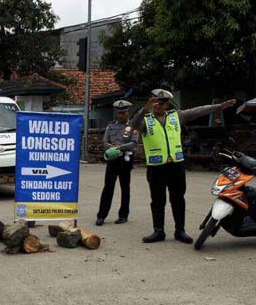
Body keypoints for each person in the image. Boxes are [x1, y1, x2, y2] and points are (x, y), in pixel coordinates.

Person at [131, 89, 236, 244]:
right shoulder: (145, 119)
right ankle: (158, 231)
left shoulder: (176, 116)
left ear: (167, 104)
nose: (157, 106)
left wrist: (219, 107)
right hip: (156, 167)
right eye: (155, 102)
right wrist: (145, 109)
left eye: (161, 103)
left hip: (176, 166)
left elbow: (198, 111)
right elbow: (134, 124)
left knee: (178, 199)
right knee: (158, 200)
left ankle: (180, 231)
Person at [95, 100, 139, 226]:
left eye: (123, 113)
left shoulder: (133, 126)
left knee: (125, 188)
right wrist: (110, 146)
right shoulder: (110, 126)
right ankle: (101, 215)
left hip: (125, 159)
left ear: (127, 112)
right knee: (108, 188)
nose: (121, 115)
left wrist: (121, 147)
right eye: (119, 113)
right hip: (112, 159)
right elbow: (104, 142)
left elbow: (133, 143)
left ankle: (123, 215)